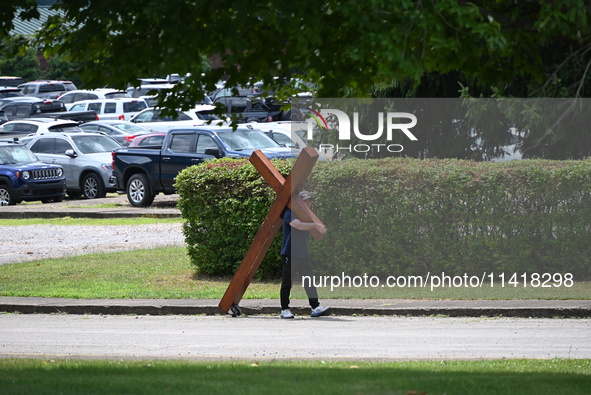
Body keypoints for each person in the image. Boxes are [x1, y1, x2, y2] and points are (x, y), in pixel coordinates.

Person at [279, 190, 331, 319]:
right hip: (289, 253)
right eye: (305, 200)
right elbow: (297, 225)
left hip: (303, 254)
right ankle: (285, 309)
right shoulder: (289, 212)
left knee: (309, 281)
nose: (308, 203)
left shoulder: (308, 216)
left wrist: (316, 226)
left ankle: (315, 307)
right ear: (299, 202)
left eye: (310, 200)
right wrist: (315, 225)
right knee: (287, 283)